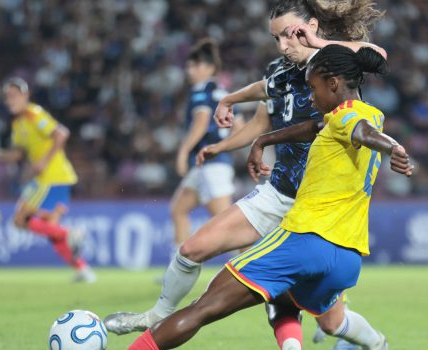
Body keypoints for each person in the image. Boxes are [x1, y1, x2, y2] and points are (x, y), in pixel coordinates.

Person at [105, 1, 385, 349]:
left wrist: (314, 42)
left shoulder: (334, 65)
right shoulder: (282, 70)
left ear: (310, 26)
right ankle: (158, 316)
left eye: (289, 35)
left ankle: (376, 343)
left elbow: (377, 54)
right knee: (192, 249)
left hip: (320, 213)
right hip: (279, 193)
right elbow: (262, 109)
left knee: (330, 322)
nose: (283, 45)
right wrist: (228, 107)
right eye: (276, 38)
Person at [0, 77, 94, 282]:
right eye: (7, 96)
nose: (10, 100)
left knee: (20, 219)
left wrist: (44, 161)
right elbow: (18, 154)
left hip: (51, 177)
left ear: (25, 96)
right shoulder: (18, 123)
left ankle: (70, 233)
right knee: (49, 230)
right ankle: (83, 270)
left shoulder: (33, 113)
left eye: (14, 95)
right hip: (54, 178)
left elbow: (62, 134)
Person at [169, 38, 240, 267]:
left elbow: (200, 122)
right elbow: (238, 125)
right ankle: (176, 266)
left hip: (211, 164)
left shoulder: (200, 92)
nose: (189, 71)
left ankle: (252, 267)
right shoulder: (222, 93)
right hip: (211, 164)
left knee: (229, 225)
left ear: (209, 67)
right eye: (189, 65)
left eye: (194, 66)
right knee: (179, 208)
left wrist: (183, 151)